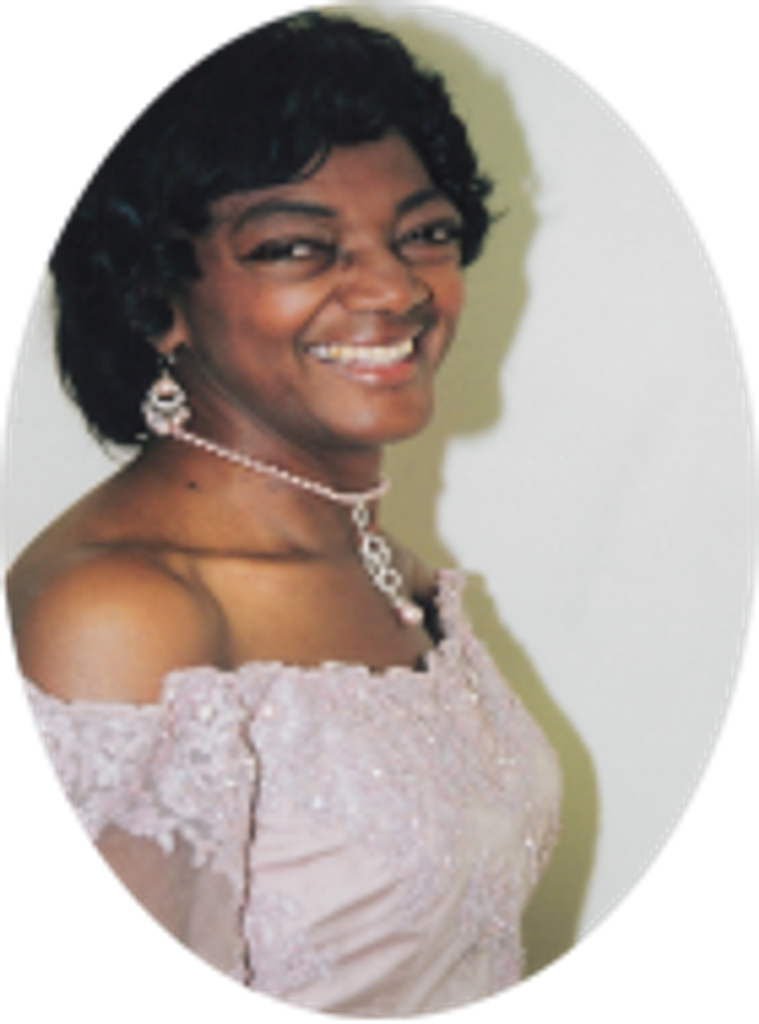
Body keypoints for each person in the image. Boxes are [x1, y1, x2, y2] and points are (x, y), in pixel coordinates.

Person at [6, 10, 560, 1018]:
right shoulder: (123, 614)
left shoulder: (382, 563)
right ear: (153, 301)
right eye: (298, 247)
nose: (393, 286)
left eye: (423, 233)